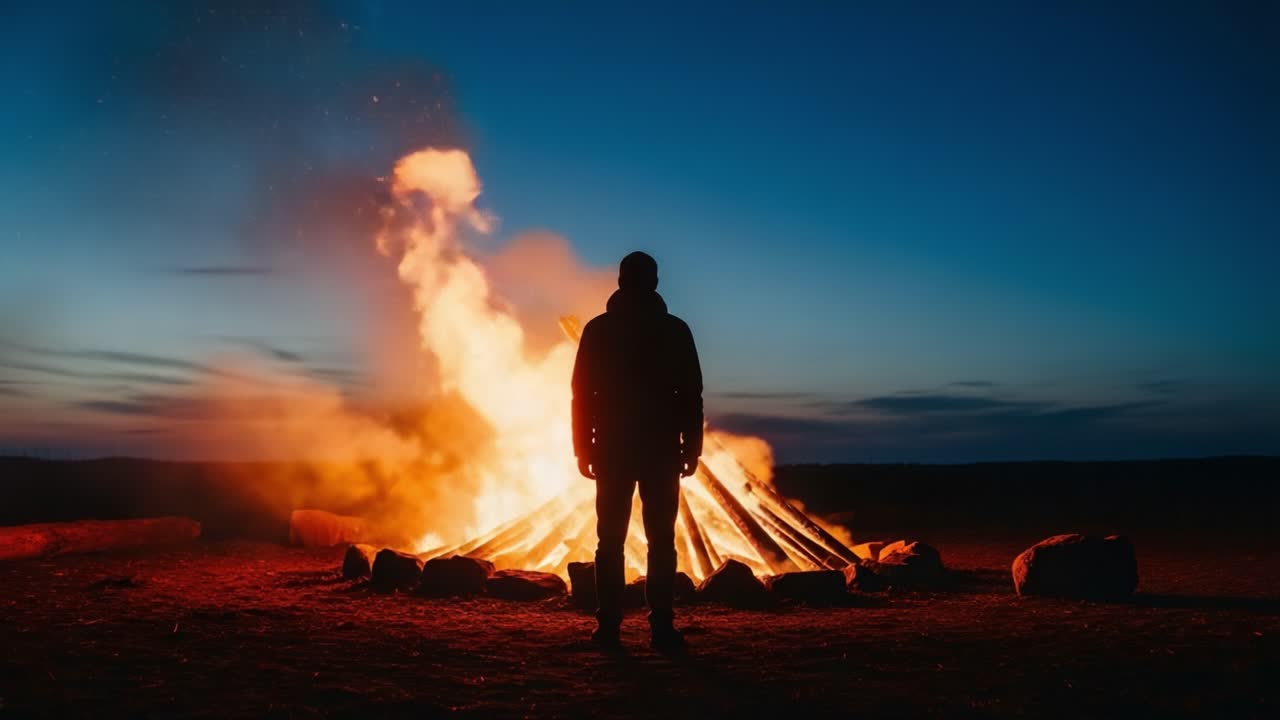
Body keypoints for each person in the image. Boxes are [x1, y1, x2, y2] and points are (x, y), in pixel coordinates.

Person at [571, 251, 703, 651]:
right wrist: (690, 446)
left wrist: (583, 446)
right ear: (656, 283)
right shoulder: (675, 329)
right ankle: (660, 627)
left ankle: (608, 627)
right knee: (660, 540)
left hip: (613, 447)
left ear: (620, 281)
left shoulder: (599, 330)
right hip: (660, 448)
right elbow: (690, 394)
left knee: (609, 541)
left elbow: (582, 395)